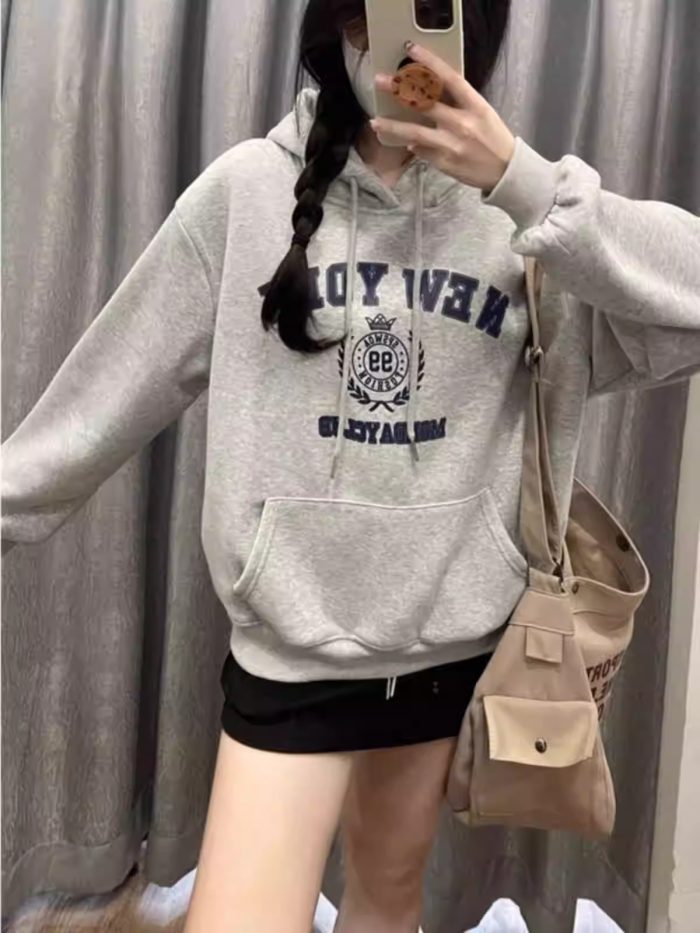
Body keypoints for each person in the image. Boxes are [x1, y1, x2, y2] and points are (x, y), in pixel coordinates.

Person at [2, 1, 699, 930]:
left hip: (447, 646)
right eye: (376, 14)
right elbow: (104, 393)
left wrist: (525, 186)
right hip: (292, 649)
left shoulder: (526, 224)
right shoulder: (247, 193)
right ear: (337, 25)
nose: (402, 52)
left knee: (388, 897)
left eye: (434, 17)